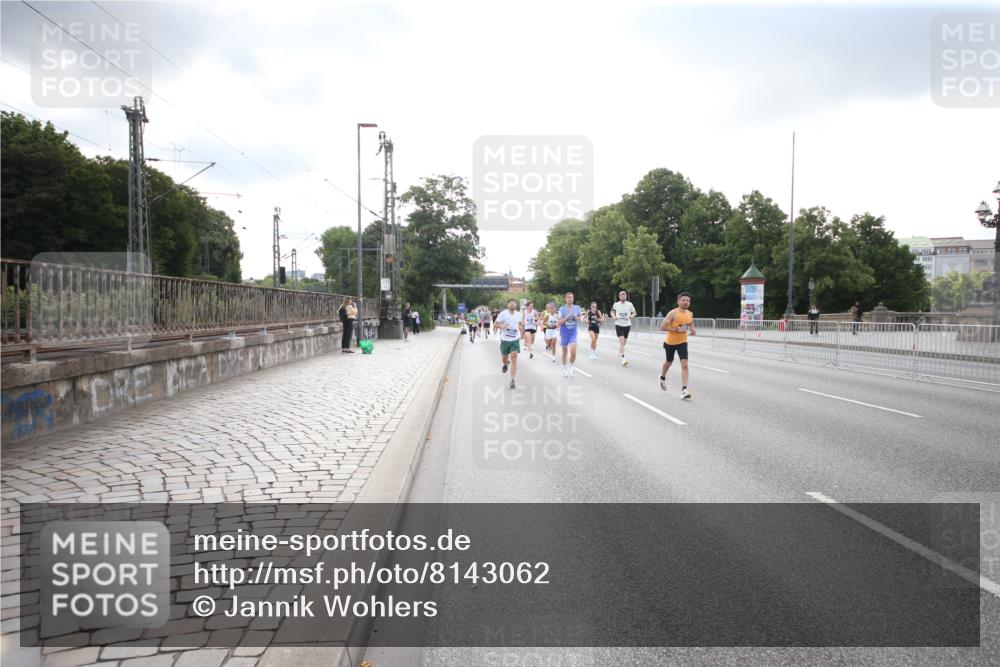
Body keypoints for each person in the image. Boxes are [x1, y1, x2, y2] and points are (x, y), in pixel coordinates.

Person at [658, 292, 695, 399]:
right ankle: (662, 377)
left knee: (685, 365)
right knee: (669, 362)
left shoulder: (690, 314)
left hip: (683, 342)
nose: (685, 302)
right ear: (678, 301)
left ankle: (684, 389)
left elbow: (690, 325)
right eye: (683, 300)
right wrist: (675, 329)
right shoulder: (673, 313)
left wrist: (693, 331)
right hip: (670, 342)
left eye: (688, 300)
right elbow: (662, 327)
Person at [494, 299, 523, 389]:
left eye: (514, 302)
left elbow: (520, 324)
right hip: (505, 340)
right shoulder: (503, 314)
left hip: (515, 339)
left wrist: (522, 332)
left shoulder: (519, 314)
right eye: (510, 303)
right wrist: (501, 326)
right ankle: (505, 364)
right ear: (507, 305)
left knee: (514, 358)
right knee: (504, 357)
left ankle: (512, 380)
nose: (512, 304)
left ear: (516, 304)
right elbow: (495, 324)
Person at [556, 292, 585, 377]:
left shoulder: (577, 308)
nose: (570, 299)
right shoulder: (562, 309)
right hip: (564, 334)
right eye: (568, 297)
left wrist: (577, 317)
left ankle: (571, 367)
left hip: (573, 333)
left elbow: (581, 318)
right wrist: (567, 317)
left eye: (571, 297)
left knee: (573, 352)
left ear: (573, 298)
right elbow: (559, 322)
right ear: (565, 299)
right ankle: (564, 369)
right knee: (565, 352)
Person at [610, 290, 636, 366]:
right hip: (618, 324)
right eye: (621, 295)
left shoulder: (630, 304)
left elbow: (634, 312)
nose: (623, 297)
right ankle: (623, 359)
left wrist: (631, 316)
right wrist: (614, 316)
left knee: (624, 343)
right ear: (619, 297)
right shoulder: (616, 304)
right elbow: (611, 312)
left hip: (627, 325)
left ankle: (620, 349)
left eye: (624, 295)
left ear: (626, 296)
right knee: (621, 341)